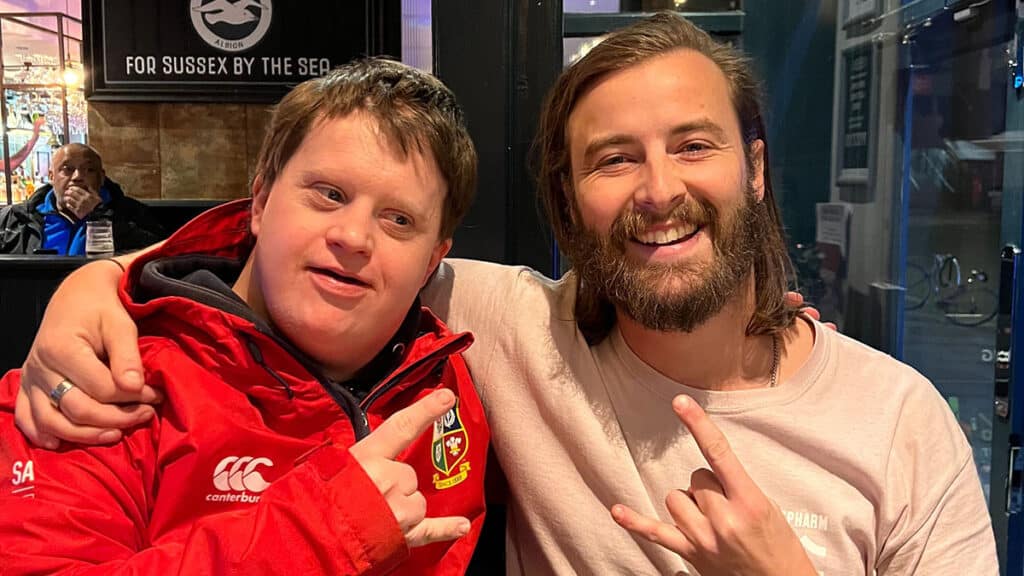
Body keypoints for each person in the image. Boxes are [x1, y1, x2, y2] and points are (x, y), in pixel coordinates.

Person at [10, 13, 997, 576]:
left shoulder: (898, 424)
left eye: (692, 145)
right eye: (614, 159)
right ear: (569, 197)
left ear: (756, 170)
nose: (658, 189)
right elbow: (277, 260)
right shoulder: (507, 330)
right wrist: (107, 281)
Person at [0, 57, 489, 574]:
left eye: (399, 219)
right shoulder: (93, 377)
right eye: (329, 194)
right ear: (259, 202)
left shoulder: (450, 376)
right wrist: (319, 533)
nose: (353, 237)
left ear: (434, 258)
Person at [0, 143, 165, 255]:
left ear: (101, 178)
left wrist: (99, 215)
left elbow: (159, 253)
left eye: (89, 170)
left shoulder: (131, 212)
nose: (78, 177)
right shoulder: (16, 217)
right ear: (51, 176)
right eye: (67, 169)